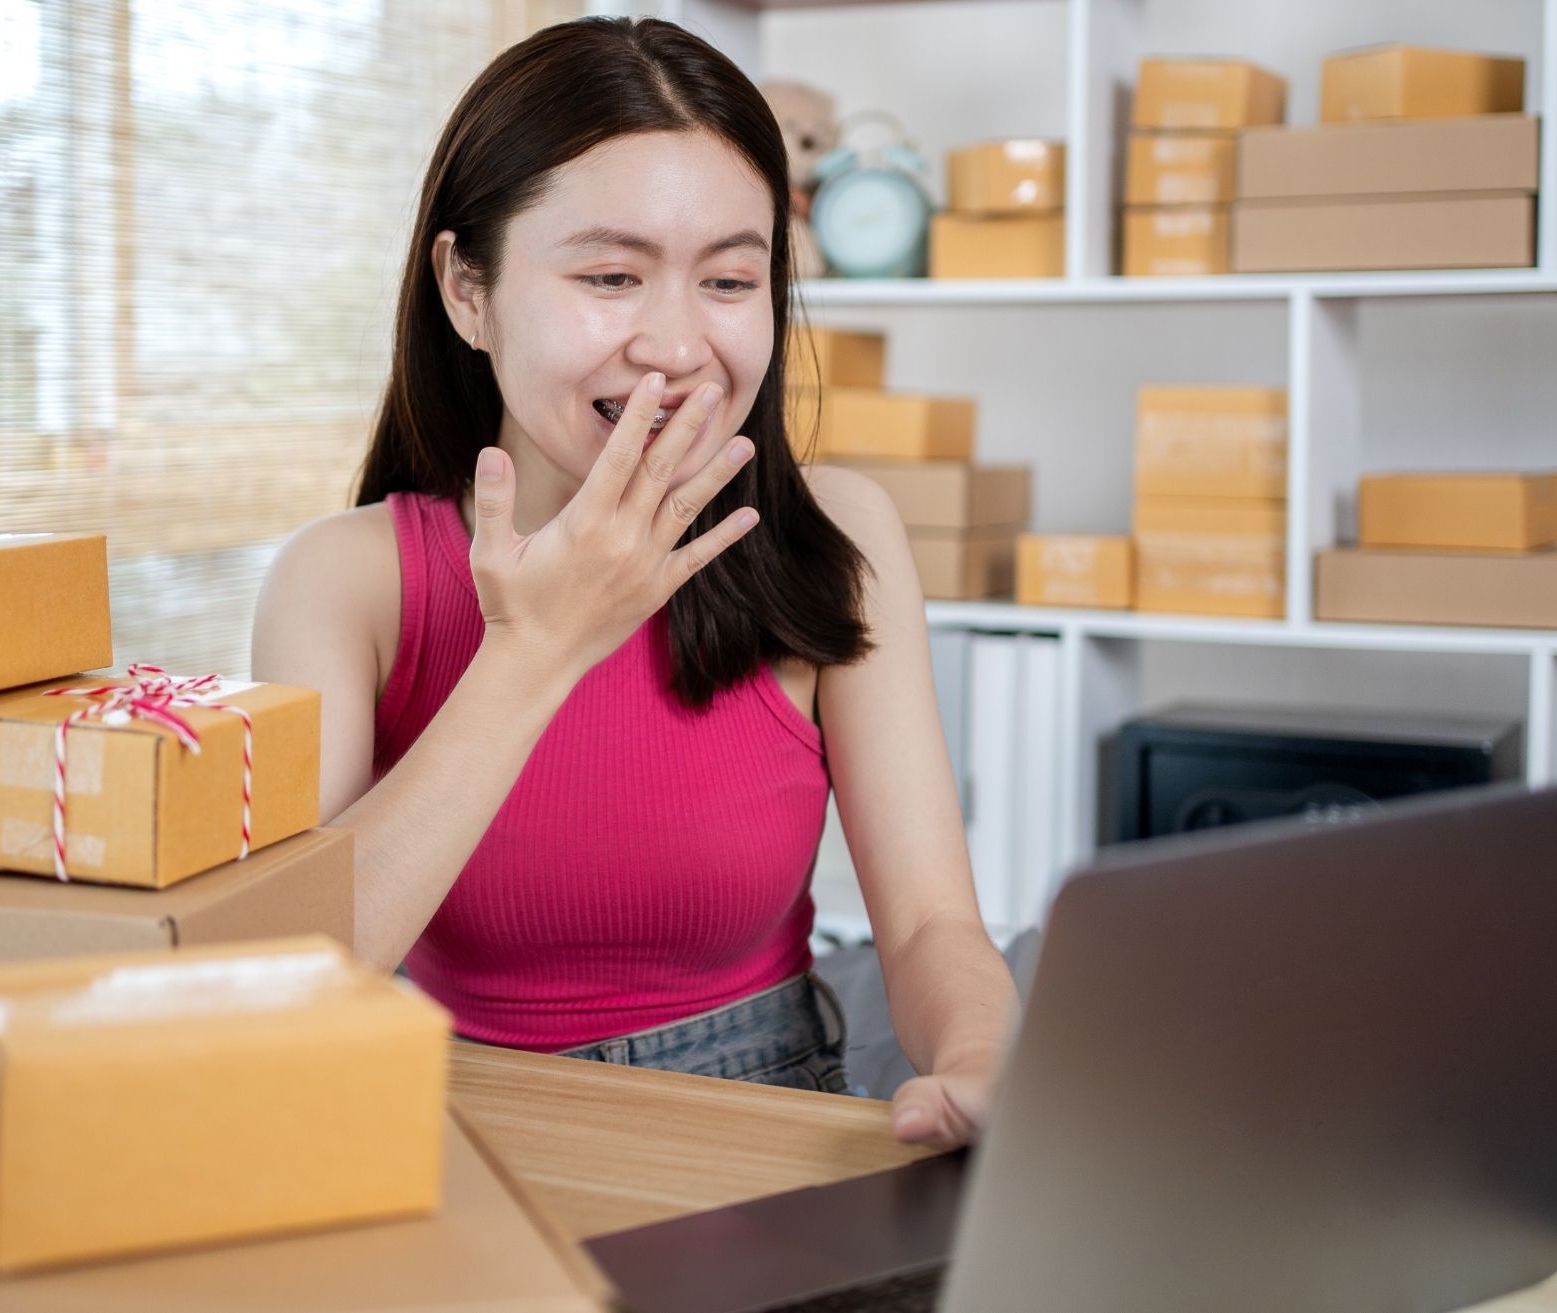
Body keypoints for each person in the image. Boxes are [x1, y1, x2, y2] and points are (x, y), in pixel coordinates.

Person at [251, 16, 1017, 1148]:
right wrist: (537, 647)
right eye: (611, 276)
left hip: (761, 1114)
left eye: (729, 280)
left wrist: (982, 1061)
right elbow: (294, 975)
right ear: (467, 290)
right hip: (458, 1134)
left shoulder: (835, 534)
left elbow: (928, 926)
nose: (676, 346)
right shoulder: (344, 579)